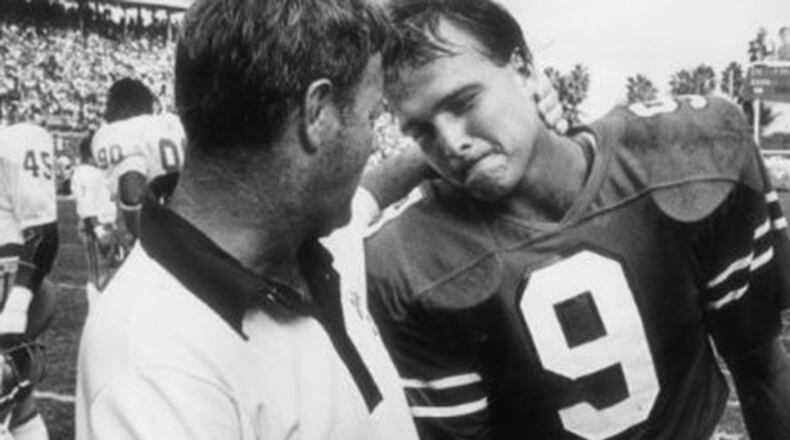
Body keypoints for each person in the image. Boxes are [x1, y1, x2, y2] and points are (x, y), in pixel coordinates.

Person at [366, 1, 790, 439]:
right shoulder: (405, 261)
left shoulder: (690, 152)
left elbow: (759, 362)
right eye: (422, 131)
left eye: (464, 101)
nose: (452, 144)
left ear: (525, 69)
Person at [0, 121, 59, 440]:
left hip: (11, 285)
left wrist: (15, 309)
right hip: (19, 288)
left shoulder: (14, 140)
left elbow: (43, 234)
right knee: (20, 406)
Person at [90, 77, 186, 241]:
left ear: (126, 109)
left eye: (110, 106)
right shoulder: (173, 124)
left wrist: (141, 239)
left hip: (160, 237)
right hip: (194, 222)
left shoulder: (119, 132)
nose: (105, 114)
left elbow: (133, 195)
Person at [70, 134, 122, 303]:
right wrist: (99, 231)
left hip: (105, 224)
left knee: (108, 273)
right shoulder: (84, 172)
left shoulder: (94, 172)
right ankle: (94, 312)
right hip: (95, 226)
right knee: (98, 274)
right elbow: (87, 207)